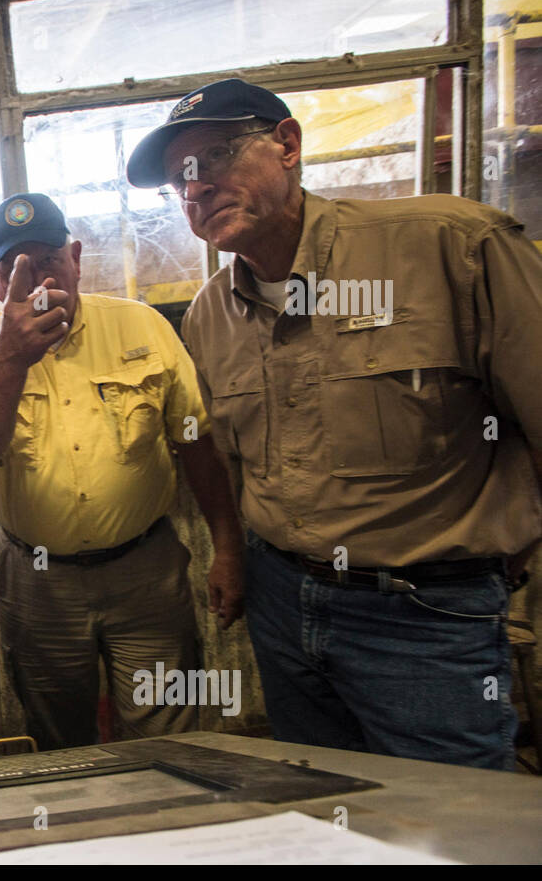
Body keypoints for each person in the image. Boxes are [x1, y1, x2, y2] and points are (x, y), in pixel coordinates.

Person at [127, 77, 542, 770]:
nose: (195, 190)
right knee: (324, 799)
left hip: (425, 613)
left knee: (454, 828)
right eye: (179, 181)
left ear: (288, 144)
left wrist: (508, 553)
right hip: (283, 602)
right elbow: (227, 460)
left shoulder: (449, 246)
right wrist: (231, 551)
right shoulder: (209, 316)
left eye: (216, 158)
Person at [0, 192, 244, 751]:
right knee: (62, 741)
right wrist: (11, 357)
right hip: (37, 582)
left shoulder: (143, 327)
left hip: (146, 573)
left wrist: (227, 548)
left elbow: (197, 444)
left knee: (168, 734)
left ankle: (163, 829)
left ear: (77, 258)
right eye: (18, 269)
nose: (37, 282)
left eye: (50, 262)